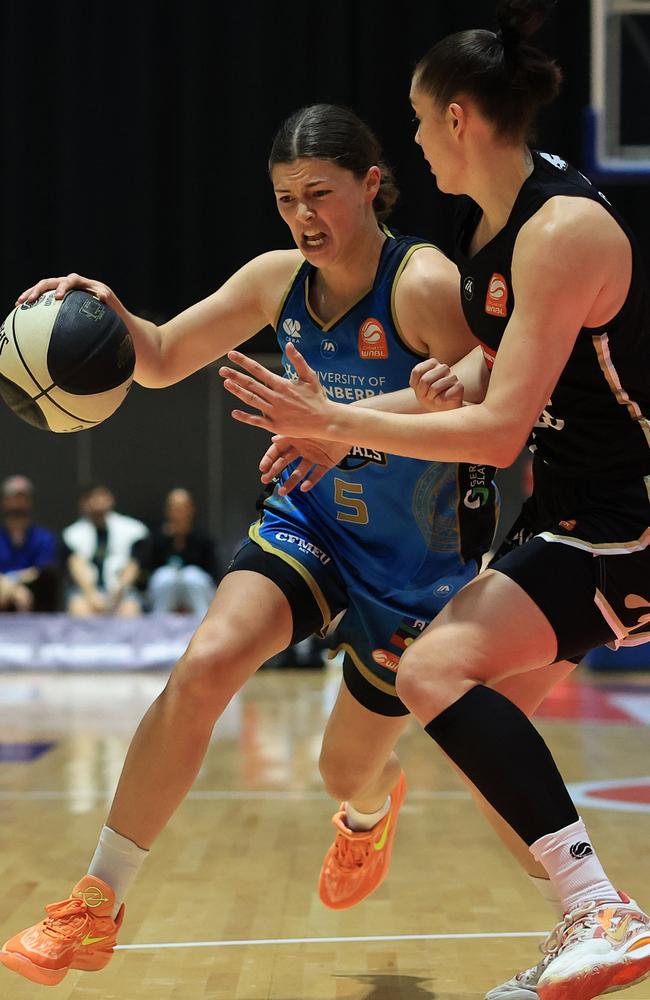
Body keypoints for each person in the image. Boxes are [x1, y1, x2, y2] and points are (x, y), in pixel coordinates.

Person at [0, 102, 557, 991]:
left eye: (321, 194)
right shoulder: (275, 280)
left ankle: (368, 813)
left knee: (345, 769)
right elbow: (158, 355)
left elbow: (492, 388)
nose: (304, 216)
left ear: (372, 185)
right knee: (206, 663)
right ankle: (95, 903)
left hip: (418, 560)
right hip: (311, 522)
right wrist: (97, 310)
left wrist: (360, 416)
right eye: (286, 198)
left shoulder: (421, 283)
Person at [218, 4, 650, 999]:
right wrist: (453, 371)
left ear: (457, 118)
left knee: (436, 667)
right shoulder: (494, 227)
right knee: (486, 742)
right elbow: (511, 369)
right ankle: (584, 918)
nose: (410, 141)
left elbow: (499, 435)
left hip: (623, 519)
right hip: (569, 512)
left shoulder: (561, 231)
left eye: (416, 122)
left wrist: (340, 424)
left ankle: (601, 912)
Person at [62, 484, 148, 617]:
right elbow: (75, 563)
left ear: (111, 499)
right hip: (86, 592)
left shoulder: (133, 530)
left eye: (102, 496)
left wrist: (118, 592)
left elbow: (134, 564)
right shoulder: (72, 534)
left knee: (130, 609)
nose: (99, 501)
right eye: (94, 497)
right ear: (84, 503)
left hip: (121, 591)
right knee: (78, 607)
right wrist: (91, 594)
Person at [134, 487, 220, 616]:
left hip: (196, 593)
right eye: (174, 508)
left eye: (183, 507)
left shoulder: (203, 539)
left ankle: (204, 624)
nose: (179, 512)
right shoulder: (155, 538)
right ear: (167, 510)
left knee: (192, 576)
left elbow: (214, 573)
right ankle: (159, 626)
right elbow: (145, 572)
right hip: (163, 593)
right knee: (166, 577)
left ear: (191, 509)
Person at [0, 475, 58, 612]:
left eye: (23, 498)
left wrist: (13, 582)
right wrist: (12, 589)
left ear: (30, 502)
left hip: (33, 596)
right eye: (14, 497)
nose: (18, 503)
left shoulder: (44, 537)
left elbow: (42, 570)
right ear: (4, 501)